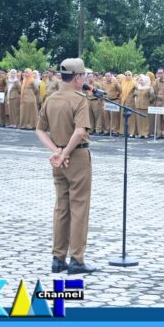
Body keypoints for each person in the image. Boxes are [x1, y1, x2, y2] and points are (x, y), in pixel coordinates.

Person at [35, 57, 96, 274]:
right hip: (76, 157)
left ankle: (58, 258)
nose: (85, 79)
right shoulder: (79, 100)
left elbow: (39, 130)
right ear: (77, 78)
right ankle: (77, 260)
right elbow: (79, 132)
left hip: (59, 158)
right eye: (84, 75)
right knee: (79, 208)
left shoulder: (51, 99)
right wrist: (66, 153)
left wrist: (57, 152)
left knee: (62, 208)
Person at [134, 74, 155, 139]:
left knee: (146, 120)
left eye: (142, 80)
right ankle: (141, 133)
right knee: (139, 120)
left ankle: (146, 133)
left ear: (146, 80)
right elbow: (135, 94)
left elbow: (152, 97)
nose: (141, 81)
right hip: (138, 106)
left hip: (146, 106)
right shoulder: (138, 87)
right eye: (140, 80)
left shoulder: (149, 88)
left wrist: (149, 101)